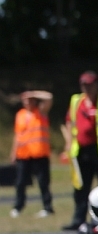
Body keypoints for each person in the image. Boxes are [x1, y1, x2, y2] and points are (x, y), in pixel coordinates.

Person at [64, 72, 98, 229]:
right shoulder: (76, 101)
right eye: (84, 85)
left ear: (96, 85)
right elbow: (69, 121)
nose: (87, 88)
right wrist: (68, 142)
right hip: (81, 151)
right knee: (81, 187)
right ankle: (79, 220)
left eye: (90, 85)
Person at [11, 90, 53, 218]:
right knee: (20, 182)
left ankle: (47, 207)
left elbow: (49, 97)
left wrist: (33, 94)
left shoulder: (41, 112)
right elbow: (17, 135)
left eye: (30, 100)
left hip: (39, 153)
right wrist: (13, 152)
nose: (28, 102)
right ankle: (18, 206)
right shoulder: (20, 115)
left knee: (43, 182)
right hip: (23, 154)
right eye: (25, 100)